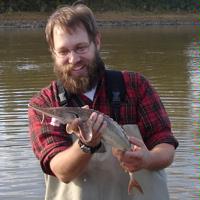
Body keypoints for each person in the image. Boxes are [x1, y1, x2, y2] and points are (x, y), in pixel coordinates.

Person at [28, 2, 178, 200]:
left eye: (80, 48)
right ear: (53, 53)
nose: (73, 59)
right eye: (63, 51)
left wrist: (148, 159)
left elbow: (165, 146)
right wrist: (86, 145)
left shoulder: (136, 85)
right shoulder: (45, 103)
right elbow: (61, 171)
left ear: (96, 42)